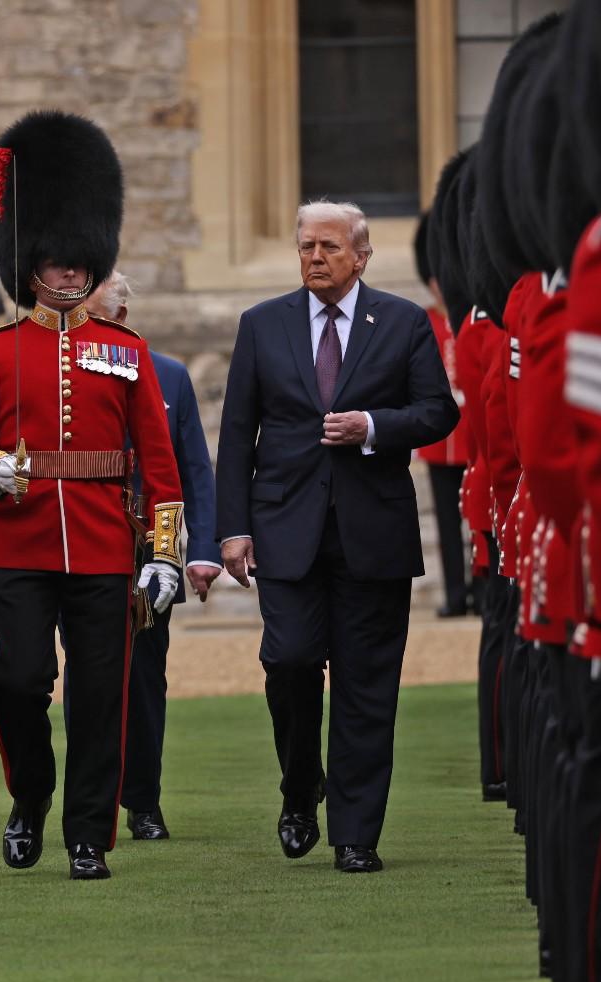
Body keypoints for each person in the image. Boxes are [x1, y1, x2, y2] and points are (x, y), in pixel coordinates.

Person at [0, 111, 183, 881]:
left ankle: (88, 836)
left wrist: (167, 556)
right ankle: (30, 799)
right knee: (17, 681)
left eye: (81, 260)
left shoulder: (127, 353)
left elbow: (158, 465)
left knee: (100, 697)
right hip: (18, 543)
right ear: (31, 260)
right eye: (55, 258)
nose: (71, 272)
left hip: (106, 546)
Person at [215, 200, 458, 872]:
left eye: (327, 246)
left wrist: (374, 427)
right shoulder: (262, 326)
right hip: (285, 527)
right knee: (289, 661)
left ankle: (356, 834)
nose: (314, 257)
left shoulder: (404, 322)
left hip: (371, 531)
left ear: (362, 254)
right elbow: (237, 435)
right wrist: (231, 529)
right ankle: (301, 788)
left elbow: (438, 411)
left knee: (365, 685)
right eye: (304, 247)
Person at [83, 272, 220, 840]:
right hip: (85, 536)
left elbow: (194, 470)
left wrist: (202, 549)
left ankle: (142, 799)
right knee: (90, 675)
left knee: (144, 678)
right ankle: (89, 800)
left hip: (146, 541)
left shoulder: (167, 374)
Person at [412, 212, 471, 617]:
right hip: (439, 441)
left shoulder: (471, 318)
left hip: (473, 437)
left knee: (483, 518)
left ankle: (484, 589)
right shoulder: (426, 321)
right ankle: (455, 593)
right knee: (449, 525)